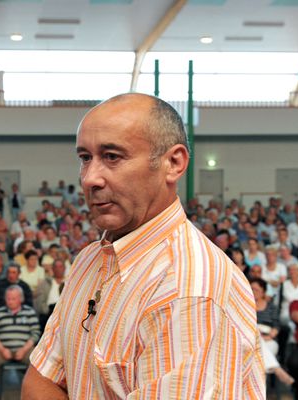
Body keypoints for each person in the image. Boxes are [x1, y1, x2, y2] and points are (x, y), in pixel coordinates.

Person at [22, 93, 264, 398]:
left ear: (173, 163)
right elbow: (39, 382)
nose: (90, 179)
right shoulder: (89, 259)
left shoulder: (188, 290)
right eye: (85, 158)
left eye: (112, 156)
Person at [0, 285, 40, 400]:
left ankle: (33, 396)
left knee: (37, 364)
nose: (10, 301)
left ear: (20, 299)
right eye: (8, 298)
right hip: (2, 349)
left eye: (13, 298)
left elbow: (36, 334)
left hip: (25, 349)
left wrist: (23, 350)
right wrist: (2, 349)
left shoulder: (29, 312)